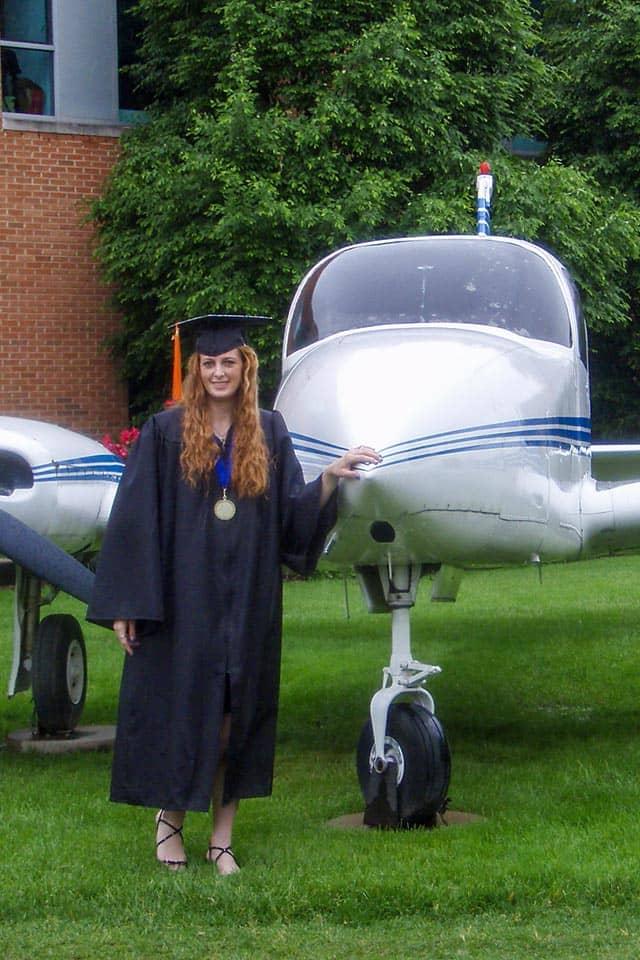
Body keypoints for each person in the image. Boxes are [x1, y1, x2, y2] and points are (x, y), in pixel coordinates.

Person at [87, 315, 380, 874]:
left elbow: (291, 518)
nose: (218, 371)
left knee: (234, 719)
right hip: (183, 601)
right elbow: (135, 520)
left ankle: (222, 838)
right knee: (184, 711)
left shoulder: (269, 432)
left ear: (245, 368)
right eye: (208, 363)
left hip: (247, 601)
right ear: (196, 370)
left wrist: (327, 480)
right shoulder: (165, 433)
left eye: (228, 362)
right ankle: (168, 825)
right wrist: (127, 601)